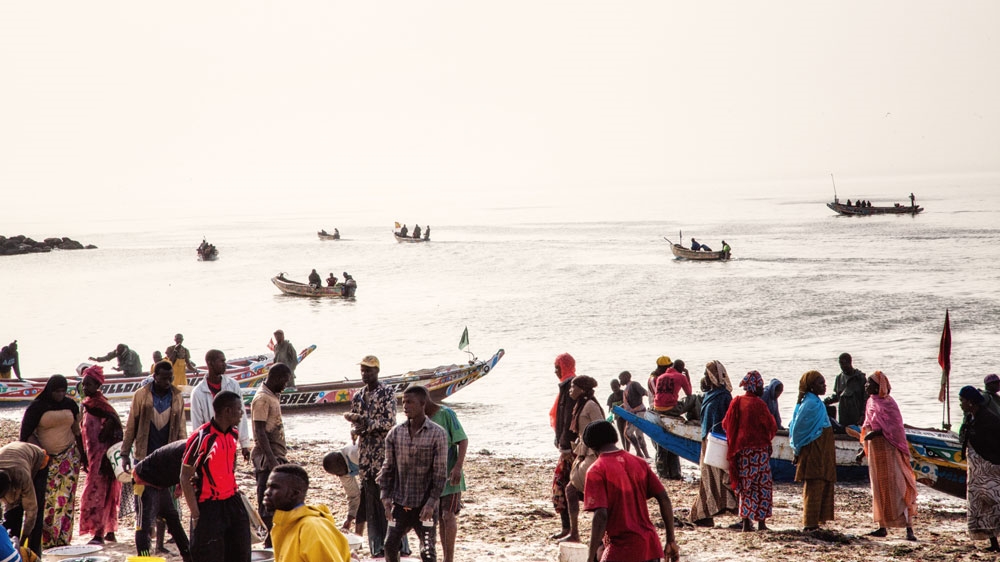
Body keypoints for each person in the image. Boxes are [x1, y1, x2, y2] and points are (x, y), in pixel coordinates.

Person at [583, 420, 680, 562]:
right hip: (650, 546)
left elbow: (601, 515)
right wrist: (670, 540)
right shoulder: (639, 462)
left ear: (591, 447)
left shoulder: (597, 470)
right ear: (615, 437)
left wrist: (590, 557)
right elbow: (664, 498)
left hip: (622, 549)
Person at [121, 360, 188, 558]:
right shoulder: (141, 395)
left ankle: (160, 544)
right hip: (144, 460)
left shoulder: (176, 396)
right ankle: (144, 555)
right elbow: (131, 425)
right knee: (145, 511)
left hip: (167, 460)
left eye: (170, 378)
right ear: (154, 376)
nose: (167, 382)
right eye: (164, 378)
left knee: (169, 510)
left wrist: (184, 456)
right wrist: (125, 453)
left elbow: (182, 428)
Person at [378, 386, 447, 562]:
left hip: (425, 505)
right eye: (403, 402)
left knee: (428, 551)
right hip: (400, 504)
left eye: (410, 402)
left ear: (423, 403)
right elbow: (388, 468)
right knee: (390, 544)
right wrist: (386, 499)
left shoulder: (437, 434)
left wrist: (431, 504)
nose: (405, 406)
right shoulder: (395, 433)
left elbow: (440, 474)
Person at [181, 391, 251, 562]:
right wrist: (196, 514)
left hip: (233, 502)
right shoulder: (202, 438)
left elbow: (229, 465)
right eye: (238, 409)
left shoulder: (233, 434)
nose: (242, 413)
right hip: (209, 506)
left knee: (241, 553)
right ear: (227, 411)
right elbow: (184, 476)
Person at [19, 375, 85, 549]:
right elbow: (26, 434)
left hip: (69, 457)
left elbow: (78, 432)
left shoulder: (70, 405)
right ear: (49, 390)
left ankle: (62, 538)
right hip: (45, 460)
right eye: (57, 391)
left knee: (65, 499)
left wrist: (84, 456)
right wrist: (40, 453)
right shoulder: (37, 407)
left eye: (63, 391)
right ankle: (45, 539)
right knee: (47, 499)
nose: (60, 395)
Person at [344, 355, 399, 558]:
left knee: (388, 499)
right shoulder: (358, 395)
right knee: (371, 500)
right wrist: (355, 428)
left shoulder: (387, 392)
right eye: (363, 371)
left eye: (369, 370)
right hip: (366, 454)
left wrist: (365, 423)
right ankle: (377, 546)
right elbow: (354, 418)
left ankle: (396, 545)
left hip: (384, 453)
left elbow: (390, 421)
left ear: (377, 371)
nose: (365, 374)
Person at [854, 371, 917, 540]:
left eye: (870, 383)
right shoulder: (870, 402)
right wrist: (862, 450)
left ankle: (908, 528)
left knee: (898, 486)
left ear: (879, 386)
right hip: (876, 452)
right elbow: (868, 426)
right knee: (879, 487)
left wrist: (876, 434)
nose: (866, 386)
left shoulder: (889, 404)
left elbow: (895, 429)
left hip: (890, 449)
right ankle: (882, 526)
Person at [723, 371, 777, 532]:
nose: (763, 389)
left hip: (742, 452)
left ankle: (746, 522)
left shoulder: (737, 401)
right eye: (761, 386)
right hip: (759, 451)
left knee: (745, 486)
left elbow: (726, 423)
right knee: (762, 486)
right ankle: (761, 522)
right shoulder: (758, 404)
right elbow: (771, 426)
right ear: (755, 387)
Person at [265, 463, 350, 562]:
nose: (267, 492)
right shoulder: (284, 526)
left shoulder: (311, 528)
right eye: (268, 487)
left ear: (294, 494)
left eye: (274, 487)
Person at [689, 360, 737, 527]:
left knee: (722, 477)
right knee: (708, 478)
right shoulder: (710, 395)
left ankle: (730, 512)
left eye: (707, 375)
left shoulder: (723, 396)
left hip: (719, 442)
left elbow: (727, 421)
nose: (705, 378)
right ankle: (703, 514)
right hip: (708, 442)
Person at [78, 366, 123, 545]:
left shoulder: (101, 406)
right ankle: (108, 530)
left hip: (103, 457)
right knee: (105, 492)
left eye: (88, 384)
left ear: (97, 384)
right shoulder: (89, 404)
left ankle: (99, 533)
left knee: (99, 493)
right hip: (93, 455)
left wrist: (106, 455)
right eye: (83, 384)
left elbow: (114, 426)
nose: (85, 387)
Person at [789, 371, 836, 531]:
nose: (824, 386)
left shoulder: (815, 402)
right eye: (820, 383)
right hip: (814, 449)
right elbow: (798, 429)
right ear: (811, 386)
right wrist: (797, 450)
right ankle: (809, 523)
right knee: (814, 482)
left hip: (821, 449)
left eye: (824, 383)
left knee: (821, 482)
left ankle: (815, 521)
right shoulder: (810, 404)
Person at [251, 363, 292, 547]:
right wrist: (272, 460)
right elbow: (259, 431)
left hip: (276, 456)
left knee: (278, 502)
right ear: (275, 378)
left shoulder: (273, 395)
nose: (286, 385)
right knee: (268, 502)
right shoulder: (262, 399)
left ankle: (275, 541)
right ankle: (269, 544)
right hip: (267, 459)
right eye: (284, 381)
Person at [131, 440, 193, 561]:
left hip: (160, 485)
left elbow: (185, 471)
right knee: (143, 523)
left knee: (173, 519)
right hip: (144, 479)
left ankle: (188, 556)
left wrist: (180, 486)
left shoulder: (194, 448)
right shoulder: (193, 449)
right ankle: (144, 558)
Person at [561, 376, 604, 543]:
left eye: (574, 386)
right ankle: (579, 533)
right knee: (578, 492)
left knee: (572, 490)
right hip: (584, 453)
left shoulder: (590, 406)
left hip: (593, 455)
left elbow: (603, 429)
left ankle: (576, 533)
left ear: (582, 389)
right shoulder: (580, 405)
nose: (571, 390)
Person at [425, 397, 468, 562]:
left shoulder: (446, 414)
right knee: (435, 518)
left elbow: (462, 440)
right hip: (430, 478)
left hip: (450, 477)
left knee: (448, 515)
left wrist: (458, 467)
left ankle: (448, 558)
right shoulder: (419, 419)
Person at [190, 350, 252, 464]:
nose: (225, 364)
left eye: (225, 361)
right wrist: (200, 448)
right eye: (221, 361)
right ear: (210, 363)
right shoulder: (198, 392)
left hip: (230, 439)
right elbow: (197, 424)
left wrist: (245, 444)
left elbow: (241, 415)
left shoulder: (233, 385)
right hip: (209, 443)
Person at [959, 385, 1000, 552]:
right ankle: (993, 542)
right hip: (977, 471)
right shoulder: (971, 418)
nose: (960, 404)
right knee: (981, 504)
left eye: (962, 401)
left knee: (995, 501)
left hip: (990, 467)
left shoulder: (989, 420)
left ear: (971, 402)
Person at [0, 441, 49, 557]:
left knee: (36, 515)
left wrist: (22, 540)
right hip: (13, 459)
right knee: (12, 513)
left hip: (38, 461)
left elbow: (31, 511)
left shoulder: (22, 476)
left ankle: (33, 552)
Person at [550, 353, 576, 541]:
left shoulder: (570, 387)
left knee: (562, 486)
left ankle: (569, 530)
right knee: (565, 487)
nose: (555, 370)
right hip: (569, 447)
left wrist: (565, 446)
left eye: (557, 367)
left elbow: (568, 419)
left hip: (572, 449)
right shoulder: (567, 385)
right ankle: (568, 528)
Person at [653, 358, 694, 480]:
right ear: (681, 369)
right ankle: (694, 419)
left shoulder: (660, 377)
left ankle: (665, 473)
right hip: (670, 409)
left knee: (664, 444)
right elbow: (689, 393)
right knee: (694, 399)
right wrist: (687, 376)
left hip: (657, 407)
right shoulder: (680, 377)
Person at [322, 445, 362, 534]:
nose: (337, 476)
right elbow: (354, 495)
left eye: (337, 473)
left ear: (340, 463)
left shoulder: (354, 454)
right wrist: (350, 517)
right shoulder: (343, 471)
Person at [824, 353, 867, 428]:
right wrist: (826, 401)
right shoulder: (839, 378)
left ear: (850, 362)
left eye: (844, 363)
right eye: (840, 364)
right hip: (844, 414)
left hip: (857, 414)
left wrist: (863, 415)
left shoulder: (860, 377)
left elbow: (866, 398)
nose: (842, 366)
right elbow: (837, 396)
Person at [619, 371, 650, 458]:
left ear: (626, 377)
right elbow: (628, 402)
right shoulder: (626, 389)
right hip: (636, 413)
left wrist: (653, 401)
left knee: (627, 433)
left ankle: (639, 452)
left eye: (621, 378)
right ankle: (646, 455)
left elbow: (645, 392)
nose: (620, 381)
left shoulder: (634, 385)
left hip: (638, 413)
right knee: (639, 434)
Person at [606, 379, 626, 450]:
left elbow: (629, 404)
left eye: (616, 387)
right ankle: (626, 450)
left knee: (627, 434)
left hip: (627, 417)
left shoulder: (624, 393)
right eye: (612, 388)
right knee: (622, 435)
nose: (614, 389)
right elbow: (610, 410)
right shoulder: (611, 397)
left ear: (619, 386)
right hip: (619, 419)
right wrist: (610, 418)